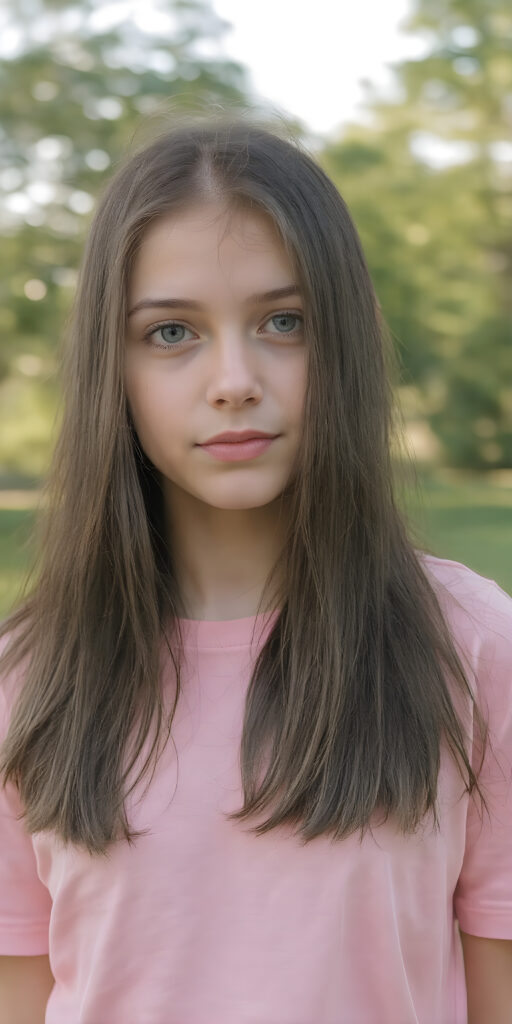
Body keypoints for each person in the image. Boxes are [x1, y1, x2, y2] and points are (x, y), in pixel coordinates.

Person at [0, 111, 511, 1024]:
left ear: (345, 341)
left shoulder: (472, 648)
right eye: (171, 333)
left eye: (284, 321)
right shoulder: (25, 681)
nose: (233, 377)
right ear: (107, 368)